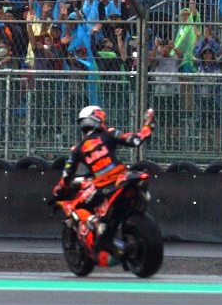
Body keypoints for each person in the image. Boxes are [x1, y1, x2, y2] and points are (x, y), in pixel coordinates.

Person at [52, 106, 153, 264]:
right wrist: (148, 125)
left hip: (102, 184)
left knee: (75, 206)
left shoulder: (78, 148)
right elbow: (136, 139)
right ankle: (106, 225)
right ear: (99, 118)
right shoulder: (109, 133)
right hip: (124, 177)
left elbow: (66, 177)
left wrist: (58, 191)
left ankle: (95, 223)